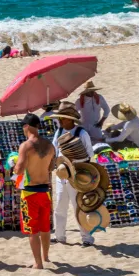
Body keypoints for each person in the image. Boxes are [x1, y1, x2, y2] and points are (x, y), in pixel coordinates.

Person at [48, 101, 95, 246]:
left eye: (62, 118)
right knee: (60, 206)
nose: (60, 120)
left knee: (78, 206)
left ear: (69, 118)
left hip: (77, 174)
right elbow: (54, 151)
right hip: (62, 174)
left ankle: (86, 238)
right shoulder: (58, 132)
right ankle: (60, 236)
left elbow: (89, 155)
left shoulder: (82, 133)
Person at [13, 113, 55, 270]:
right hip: (45, 191)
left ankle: (38, 263)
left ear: (26, 126)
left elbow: (19, 170)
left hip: (30, 192)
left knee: (32, 230)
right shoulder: (50, 145)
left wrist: (14, 165)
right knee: (45, 227)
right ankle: (46, 256)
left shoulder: (26, 146)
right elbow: (51, 167)